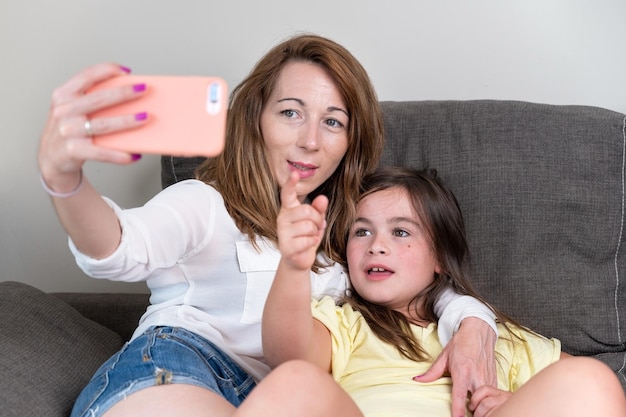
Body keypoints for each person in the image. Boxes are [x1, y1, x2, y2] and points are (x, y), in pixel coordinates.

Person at [38, 34, 498, 417]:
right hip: (178, 366)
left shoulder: (346, 232)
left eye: (332, 122)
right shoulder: (205, 204)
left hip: (282, 398)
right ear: (255, 119)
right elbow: (118, 247)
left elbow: (418, 283)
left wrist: (473, 320)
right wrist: (66, 182)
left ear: (349, 144)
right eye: (290, 113)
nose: (310, 140)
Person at [258, 166, 626, 417]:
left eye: (401, 232)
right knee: (295, 380)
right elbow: (292, 358)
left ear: (440, 258)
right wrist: (293, 266)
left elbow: (590, 396)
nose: (377, 246)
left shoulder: (497, 340)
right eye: (361, 231)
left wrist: (516, 403)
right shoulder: (345, 322)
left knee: (591, 379)